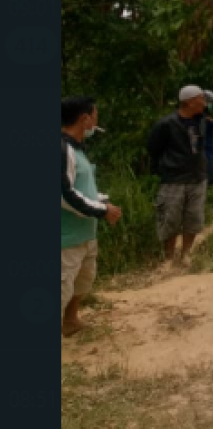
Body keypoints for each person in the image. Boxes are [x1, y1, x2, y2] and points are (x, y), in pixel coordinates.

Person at [61, 96, 122, 337]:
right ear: (84, 119)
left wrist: (104, 201)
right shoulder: (62, 149)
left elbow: (84, 188)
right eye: (95, 117)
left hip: (85, 232)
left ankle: (70, 321)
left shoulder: (77, 150)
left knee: (83, 280)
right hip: (66, 237)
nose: (96, 123)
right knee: (62, 286)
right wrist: (102, 210)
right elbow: (64, 194)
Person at [147, 85, 210, 266]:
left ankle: (186, 254)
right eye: (200, 99)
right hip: (173, 178)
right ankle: (168, 258)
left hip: (197, 176)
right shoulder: (166, 124)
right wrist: (167, 166)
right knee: (170, 218)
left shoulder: (201, 120)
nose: (204, 103)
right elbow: (153, 148)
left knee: (194, 217)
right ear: (189, 102)